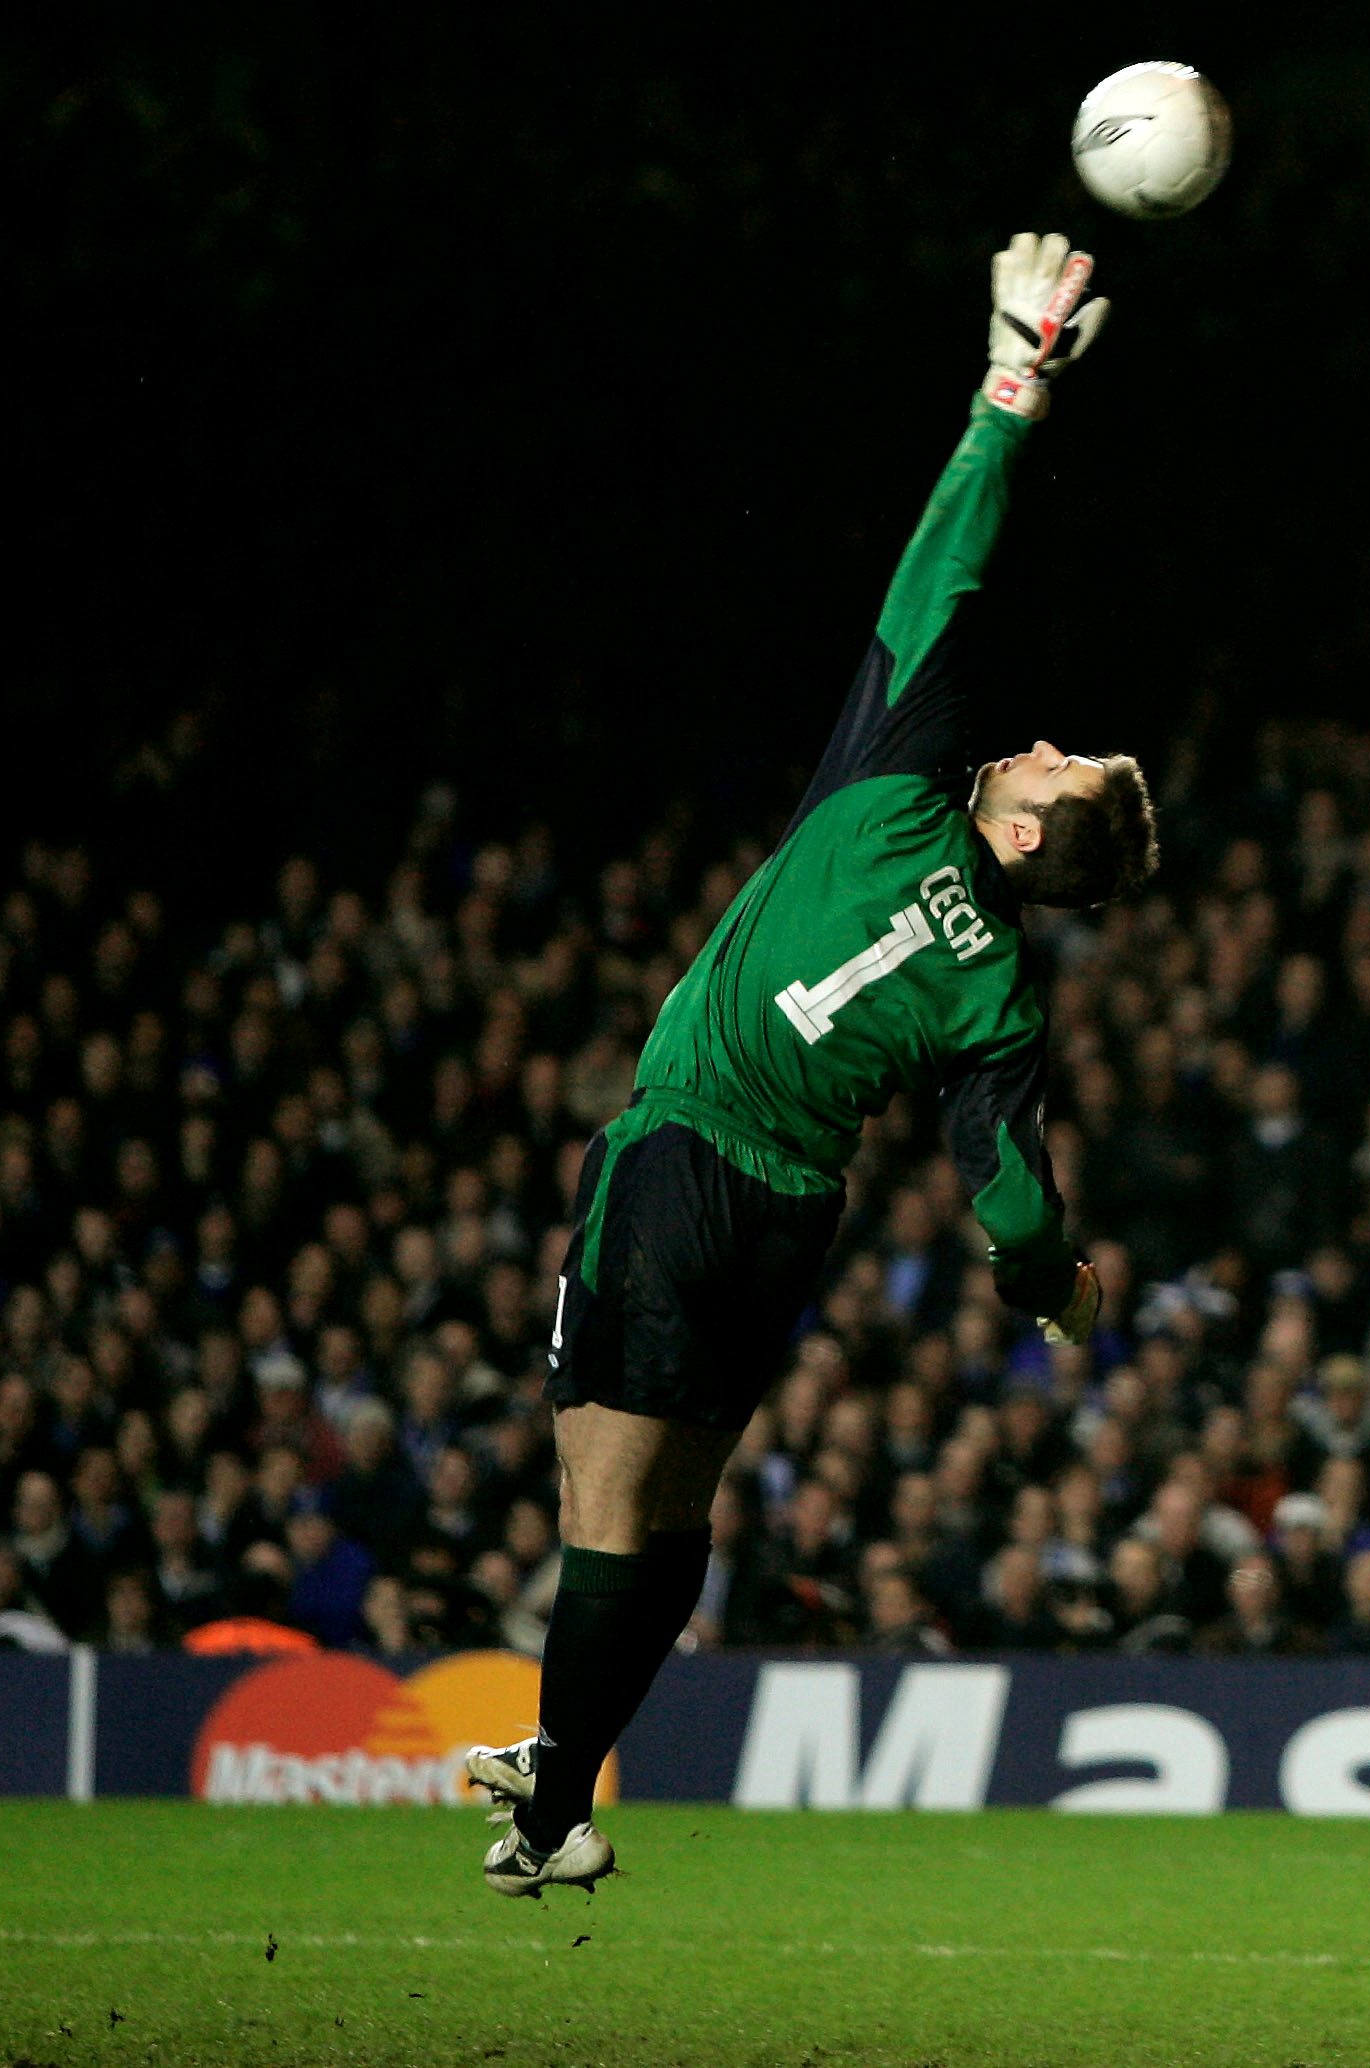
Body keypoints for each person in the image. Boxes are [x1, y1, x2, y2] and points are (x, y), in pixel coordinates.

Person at [465, 233, 1158, 1899]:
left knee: (601, 1503)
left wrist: (1014, 385)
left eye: (1061, 761)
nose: (1045, 737)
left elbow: (946, 564)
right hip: (790, 1219)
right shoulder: (997, 995)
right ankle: (552, 1806)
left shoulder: (897, 785)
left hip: (683, 1153)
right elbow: (1005, 1193)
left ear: (1015, 824)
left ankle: (546, 1772)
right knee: (679, 1517)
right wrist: (1056, 1289)